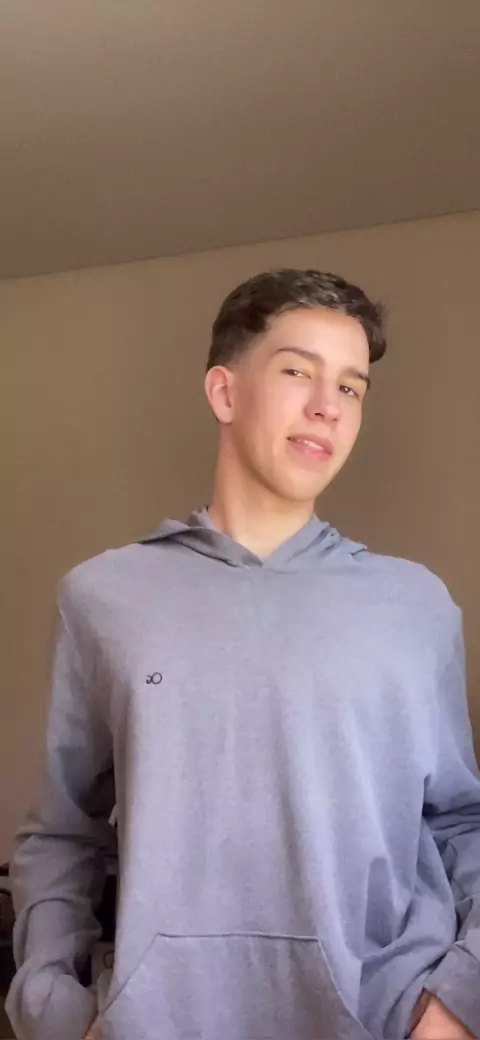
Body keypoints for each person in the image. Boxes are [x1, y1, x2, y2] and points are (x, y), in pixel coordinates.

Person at [6, 269, 480, 1040]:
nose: (327, 405)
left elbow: (463, 823)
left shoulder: (417, 605)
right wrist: (53, 1009)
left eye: (351, 387)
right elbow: (64, 832)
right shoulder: (102, 598)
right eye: (297, 371)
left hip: (386, 1021)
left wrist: (461, 1002)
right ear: (225, 393)